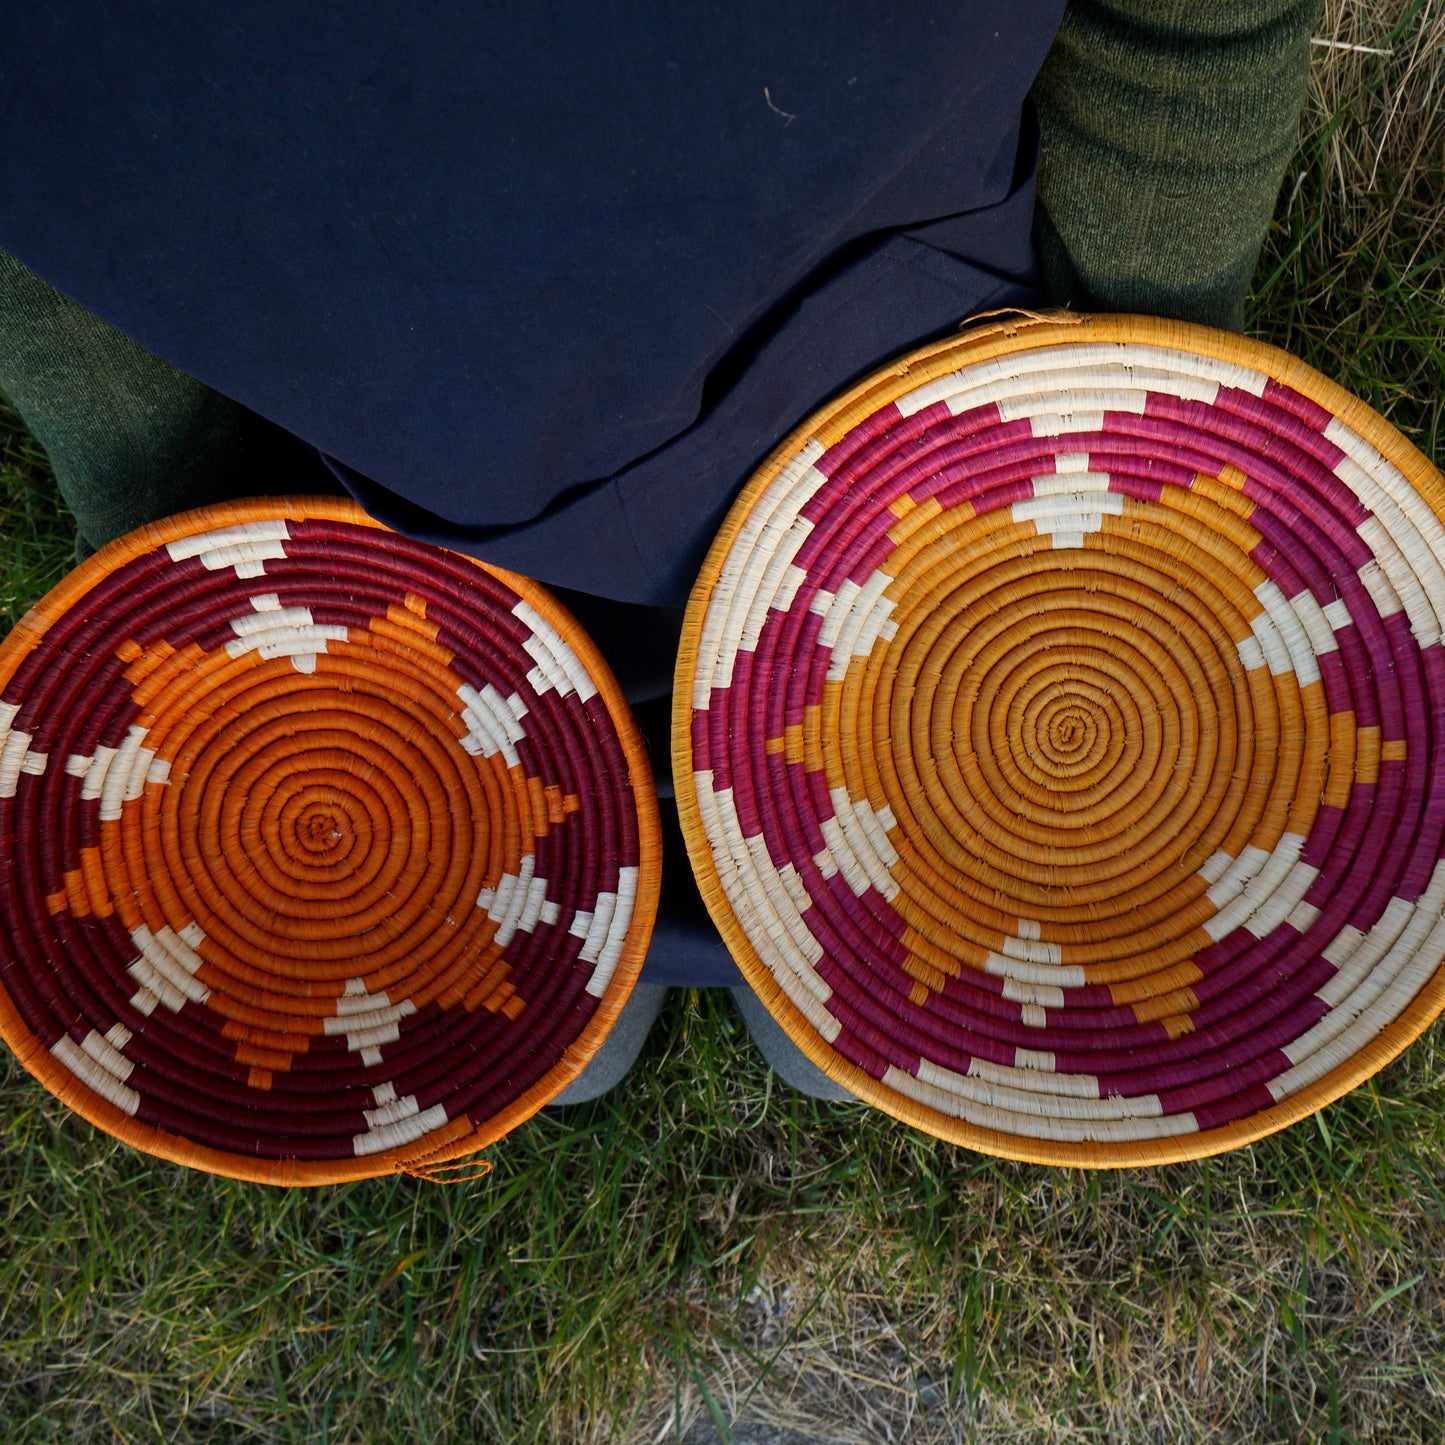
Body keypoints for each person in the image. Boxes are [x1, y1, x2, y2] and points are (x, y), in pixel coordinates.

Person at [0, 2, 1320, 1100]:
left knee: (879, 885)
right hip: (383, 453)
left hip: (903, 415)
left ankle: (742, 922)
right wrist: (168, 511)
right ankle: (609, 911)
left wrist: (1135, 399)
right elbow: (43, 148)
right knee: (499, 919)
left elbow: (1187, 25)